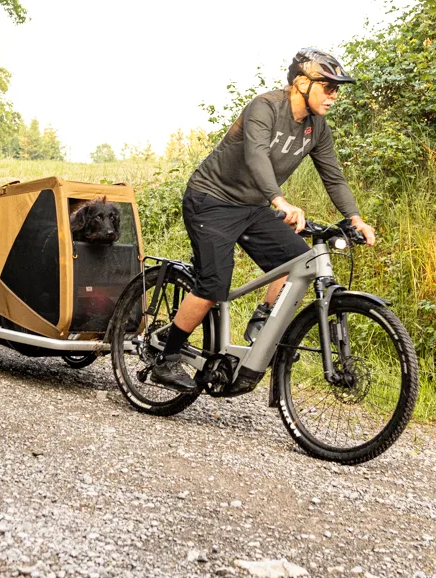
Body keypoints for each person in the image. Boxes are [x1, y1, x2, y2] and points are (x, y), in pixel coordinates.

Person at [147, 48, 378, 391]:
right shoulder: (265, 107)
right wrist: (279, 200)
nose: (334, 95)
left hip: (252, 206)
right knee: (214, 285)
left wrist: (355, 218)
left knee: (299, 260)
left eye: (337, 89)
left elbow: (333, 175)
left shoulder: (317, 127)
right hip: (211, 200)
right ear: (301, 83)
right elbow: (256, 156)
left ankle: (263, 320)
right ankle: (166, 359)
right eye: (327, 87)